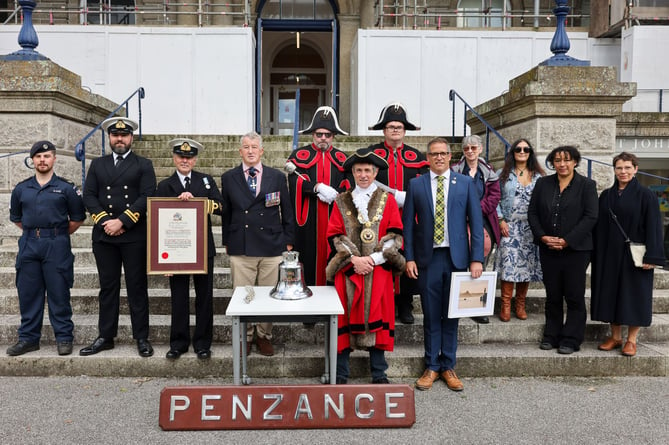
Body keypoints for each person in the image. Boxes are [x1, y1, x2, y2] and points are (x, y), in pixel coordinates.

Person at [403, 137, 484, 391]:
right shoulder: (416, 185)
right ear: (427, 158)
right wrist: (410, 257)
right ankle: (431, 366)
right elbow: (408, 226)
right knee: (430, 313)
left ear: (450, 156)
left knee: (452, 314)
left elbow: (477, 224)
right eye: (434, 154)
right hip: (428, 259)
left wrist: (476, 258)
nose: (439, 157)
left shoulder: (466, 184)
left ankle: (448, 365)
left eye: (443, 153)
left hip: (457, 258)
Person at [325, 148, 405, 384]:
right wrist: (355, 260)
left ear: (375, 171)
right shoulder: (341, 200)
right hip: (348, 270)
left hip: (378, 270)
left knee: (377, 318)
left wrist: (373, 259)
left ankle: (379, 373)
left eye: (367, 170)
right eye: (358, 170)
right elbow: (335, 235)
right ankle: (340, 373)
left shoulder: (387, 200)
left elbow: (395, 235)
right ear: (352, 172)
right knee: (344, 317)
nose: (363, 175)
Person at [80, 117, 157, 357]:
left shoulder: (143, 164)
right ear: (110, 138)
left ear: (131, 137)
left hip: (134, 236)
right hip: (105, 237)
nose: (120, 139)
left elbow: (147, 195)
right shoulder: (98, 164)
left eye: (124, 135)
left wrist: (122, 221)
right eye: (115, 135)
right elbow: (89, 196)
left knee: (137, 287)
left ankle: (142, 337)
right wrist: (106, 222)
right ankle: (106, 336)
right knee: (108, 287)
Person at [6, 141, 86, 356]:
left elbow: (77, 219)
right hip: (29, 244)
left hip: (57, 244)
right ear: (32, 160)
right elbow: (17, 219)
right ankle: (28, 339)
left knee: (59, 292)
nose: (43, 160)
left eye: (47, 156)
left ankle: (64, 337)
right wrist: (37, 233)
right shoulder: (22, 189)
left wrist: (54, 234)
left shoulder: (67, 188)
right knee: (29, 293)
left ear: (54, 159)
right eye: (39, 156)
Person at [221, 131, 295, 356]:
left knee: (269, 294)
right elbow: (226, 212)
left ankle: (264, 336)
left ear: (262, 151)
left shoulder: (276, 177)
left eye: (254, 146)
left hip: (272, 246)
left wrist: (288, 241)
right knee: (243, 294)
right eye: (246, 147)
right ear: (240, 151)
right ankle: (246, 336)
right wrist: (227, 240)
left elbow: (287, 211)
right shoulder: (228, 177)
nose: (250, 151)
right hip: (241, 246)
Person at [591, 152, 665, 356]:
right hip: (609, 253)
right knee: (611, 293)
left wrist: (653, 256)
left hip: (636, 255)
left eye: (627, 168)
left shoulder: (646, 195)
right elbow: (599, 226)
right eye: (619, 168)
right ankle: (615, 337)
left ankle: (631, 340)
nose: (623, 172)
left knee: (634, 296)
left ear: (635, 169)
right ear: (614, 170)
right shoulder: (606, 195)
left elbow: (654, 227)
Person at [156, 138, 222, 360]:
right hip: (176, 250)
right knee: (179, 296)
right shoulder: (164, 185)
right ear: (174, 159)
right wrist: (161, 259)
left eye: (189, 157)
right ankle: (178, 343)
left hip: (203, 249)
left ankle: (203, 344)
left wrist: (198, 201)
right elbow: (158, 222)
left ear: (195, 160)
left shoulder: (206, 181)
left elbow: (221, 207)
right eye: (181, 157)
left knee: (205, 297)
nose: (185, 160)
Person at [528, 146, 598, 355]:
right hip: (548, 248)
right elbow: (532, 213)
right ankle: (551, 335)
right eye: (557, 160)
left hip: (576, 250)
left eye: (567, 160)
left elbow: (591, 216)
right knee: (553, 295)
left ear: (575, 161)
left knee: (574, 295)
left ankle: (571, 338)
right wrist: (542, 236)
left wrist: (567, 240)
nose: (562, 164)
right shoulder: (543, 183)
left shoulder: (586, 185)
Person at [367, 102, 429, 324]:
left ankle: (405, 304)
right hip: (378, 218)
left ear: (404, 131)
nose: (395, 130)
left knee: (406, 256)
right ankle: (384, 303)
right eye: (391, 126)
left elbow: (426, 187)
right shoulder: (372, 154)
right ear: (384, 130)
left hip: (408, 218)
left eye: (399, 127)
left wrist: (410, 198)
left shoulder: (417, 156)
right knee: (382, 255)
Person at [286, 106, 349, 286]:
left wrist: (337, 194)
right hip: (307, 221)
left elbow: (348, 184)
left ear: (333, 136)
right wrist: (316, 187)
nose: (323, 138)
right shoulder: (298, 156)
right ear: (313, 134)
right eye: (319, 134)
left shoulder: (342, 158)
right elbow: (294, 182)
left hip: (333, 218)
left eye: (327, 134)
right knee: (306, 258)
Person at [451, 134, 501, 324]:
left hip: (483, 221)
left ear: (480, 149)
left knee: (481, 262)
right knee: (458, 261)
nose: (470, 151)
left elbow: (495, 196)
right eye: (466, 148)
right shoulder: (455, 170)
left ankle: (476, 306)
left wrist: (475, 209)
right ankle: (457, 303)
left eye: (474, 148)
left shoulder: (488, 171)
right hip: (459, 221)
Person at [495, 139, 545, 322]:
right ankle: (506, 304)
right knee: (509, 264)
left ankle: (520, 304)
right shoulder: (502, 174)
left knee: (526, 266)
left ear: (530, 152)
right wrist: (500, 220)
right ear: (513, 152)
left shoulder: (539, 176)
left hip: (530, 228)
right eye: (518, 149)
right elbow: (495, 200)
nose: (522, 151)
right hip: (509, 226)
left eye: (526, 149)